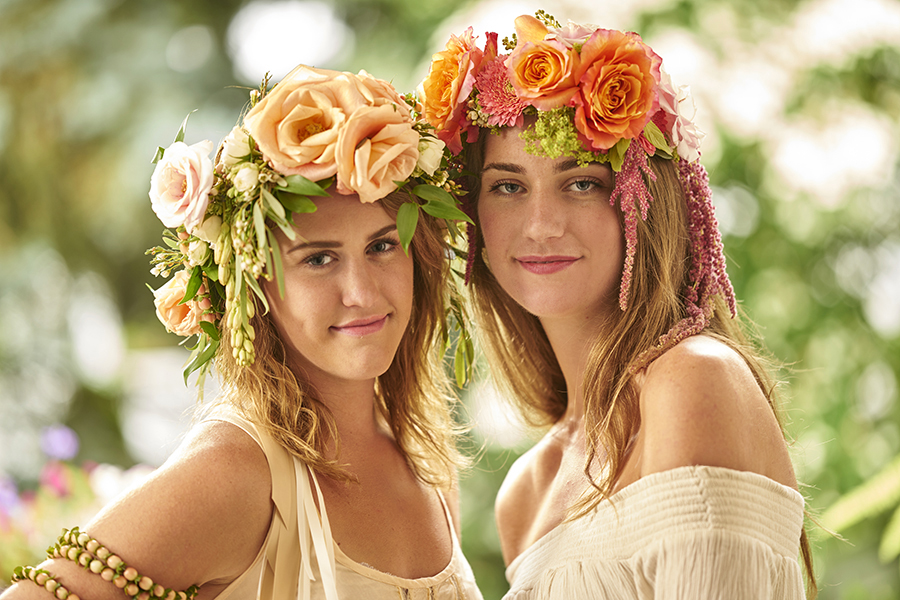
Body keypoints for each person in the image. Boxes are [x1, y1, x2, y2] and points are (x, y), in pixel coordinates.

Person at [3, 64, 481, 600]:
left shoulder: (421, 455)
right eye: (319, 259)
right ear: (253, 285)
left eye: (382, 246)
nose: (362, 293)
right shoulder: (235, 472)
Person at [419, 11, 816, 599]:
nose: (541, 226)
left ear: (644, 201)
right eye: (507, 186)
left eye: (581, 182)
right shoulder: (526, 493)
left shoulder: (692, 381)